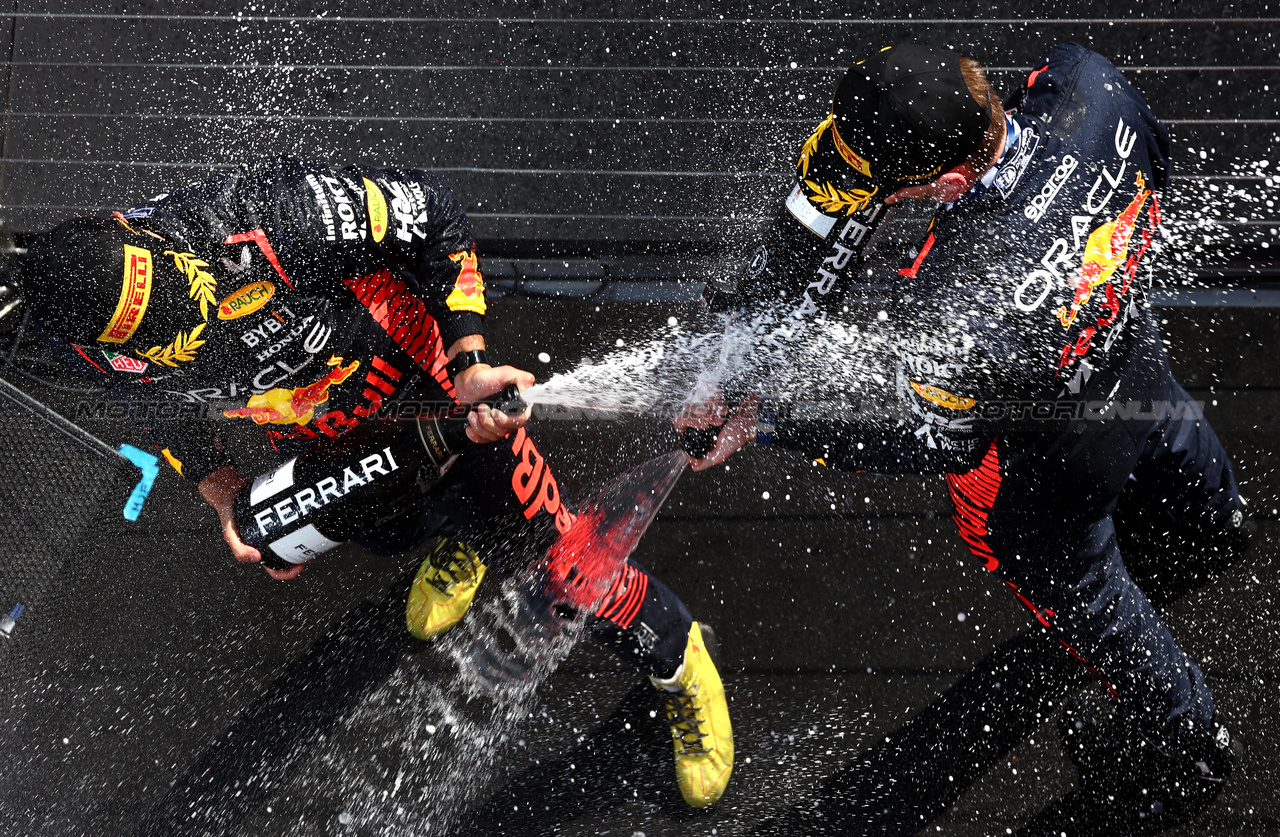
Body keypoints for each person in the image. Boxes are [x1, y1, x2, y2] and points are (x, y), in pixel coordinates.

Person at [16, 157, 732, 808]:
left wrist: (470, 363)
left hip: (432, 388)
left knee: (567, 564)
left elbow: (434, 212)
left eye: (183, 290)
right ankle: (466, 540)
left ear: (138, 237)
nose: (196, 316)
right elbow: (148, 402)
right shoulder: (70, 336)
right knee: (391, 533)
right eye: (163, 330)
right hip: (326, 436)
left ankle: (677, 652)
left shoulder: (270, 214)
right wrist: (221, 486)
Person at [682, 43, 1246, 827]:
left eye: (893, 186)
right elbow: (1146, 165)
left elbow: (940, 446)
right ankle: (1211, 525)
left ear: (947, 183)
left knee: (1106, 621)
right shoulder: (1090, 83)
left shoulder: (951, 310)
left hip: (1051, 484)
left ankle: (1184, 740)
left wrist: (766, 420)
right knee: (1192, 483)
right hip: (1136, 372)